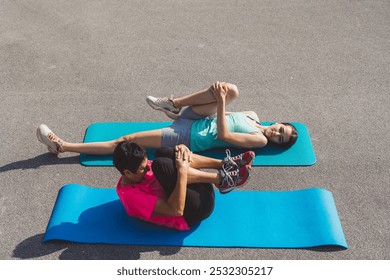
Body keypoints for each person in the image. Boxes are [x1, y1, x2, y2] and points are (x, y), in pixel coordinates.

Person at [36, 81, 298, 157]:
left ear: (275, 143)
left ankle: (62, 146)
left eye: (280, 138)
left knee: (126, 141)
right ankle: (174, 105)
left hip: (189, 137)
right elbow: (227, 114)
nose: (275, 133)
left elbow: (224, 136)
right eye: (280, 129)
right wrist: (220, 101)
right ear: (278, 123)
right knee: (233, 90)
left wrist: (218, 102)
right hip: (196, 116)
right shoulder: (253, 116)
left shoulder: (258, 141)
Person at [113, 141, 253, 230]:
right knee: (160, 165)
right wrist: (181, 170)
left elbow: (170, 162)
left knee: (164, 153)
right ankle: (222, 179)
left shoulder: (138, 170)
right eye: (143, 169)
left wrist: (182, 150)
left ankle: (224, 165)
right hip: (194, 210)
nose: (147, 169)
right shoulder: (132, 196)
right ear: (127, 172)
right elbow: (176, 210)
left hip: (200, 189)